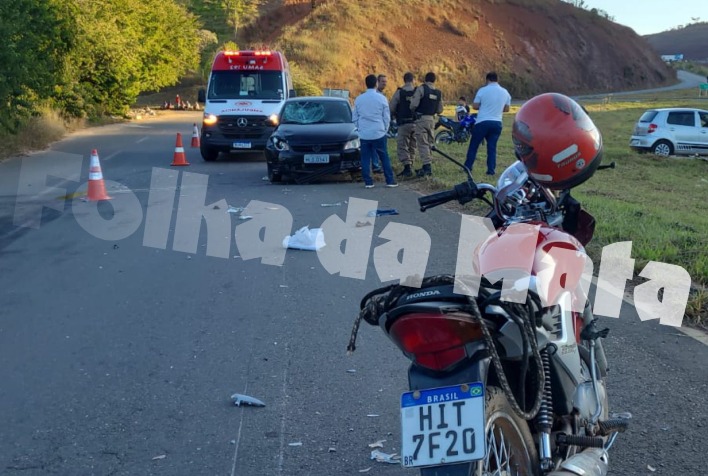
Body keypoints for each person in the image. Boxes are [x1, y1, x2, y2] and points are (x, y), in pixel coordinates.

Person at [352, 74, 398, 189]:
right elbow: (386, 116)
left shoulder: (359, 99)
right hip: (378, 132)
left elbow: (354, 117)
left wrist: (359, 128)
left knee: (365, 158)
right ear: (376, 83)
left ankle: (368, 182)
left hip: (364, 133)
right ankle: (390, 181)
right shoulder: (381, 98)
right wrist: (384, 128)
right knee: (384, 156)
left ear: (365, 84)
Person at [464, 71, 511, 175]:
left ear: (487, 80)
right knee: (492, 147)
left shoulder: (483, 90)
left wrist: (485, 106)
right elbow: (507, 109)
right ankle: (491, 170)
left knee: (474, 145)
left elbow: (475, 106)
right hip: (497, 123)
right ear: (497, 80)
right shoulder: (505, 92)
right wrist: (496, 108)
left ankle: (468, 167)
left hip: (482, 122)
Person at [410, 72, 443, 177]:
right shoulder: (438, 92)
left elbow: (413, 104)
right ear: (434, 80)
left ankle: (426, 167)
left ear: (425, 79)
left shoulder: (421, 89)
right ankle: (428, 164)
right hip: (431, 120)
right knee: (429, 142)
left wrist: (414, 109)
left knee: (422, 143)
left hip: (421, 119)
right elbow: (440, 109)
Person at [389, 72, 417, 178]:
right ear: (413, 80)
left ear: (404, 80)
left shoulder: (399, 92)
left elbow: (391, 107)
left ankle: (407, 167)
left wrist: (392, 117)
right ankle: (411, 165)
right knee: (413, 145)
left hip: (403, 123)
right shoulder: (417, 91)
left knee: (402, 146)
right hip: (415, 123)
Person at [370, 74, 389, 172]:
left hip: (381, 125)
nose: (385, 84)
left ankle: (378, 164)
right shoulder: (375, 95)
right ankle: (375, 165)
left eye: (386, 82)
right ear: (377, 82)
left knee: (382, 146)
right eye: (383, 82)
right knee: (375, 146)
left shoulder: (383, 95)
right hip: (376, 124)